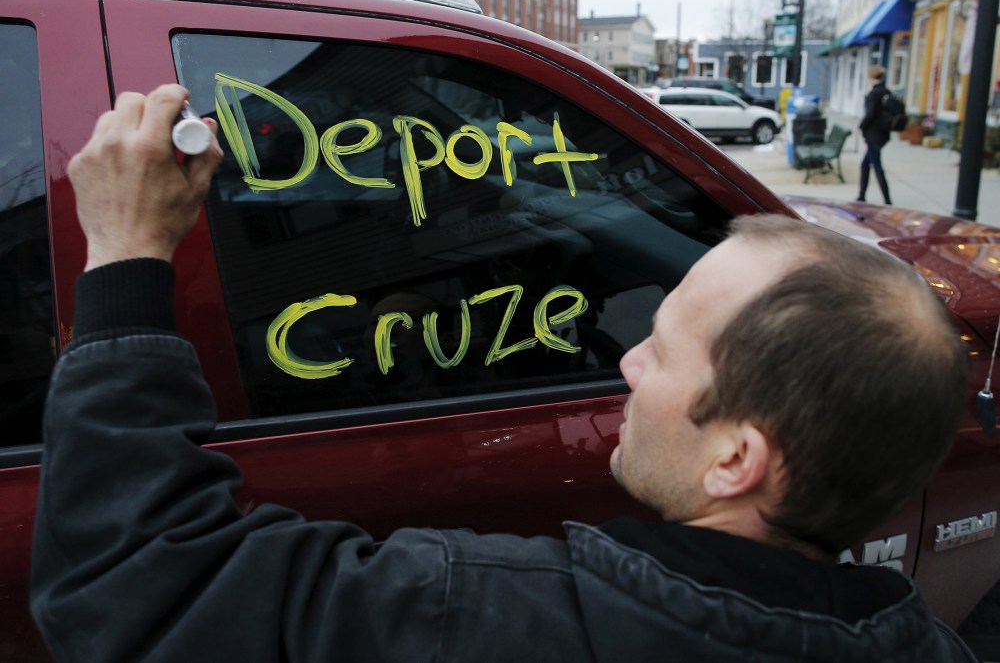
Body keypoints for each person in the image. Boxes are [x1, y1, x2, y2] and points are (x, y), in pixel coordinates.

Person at [30, 84, 976, 662]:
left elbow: (136, 589)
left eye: (664, 347)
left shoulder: (492, 620)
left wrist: (121, 254)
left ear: (736, 458)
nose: (626, 356)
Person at [858, 65, 893, 205]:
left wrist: (862, 125)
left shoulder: (874, 94)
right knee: (865, 165)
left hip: (874, 135)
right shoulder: (886, 92)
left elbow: (870, 114)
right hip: (882, 134)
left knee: (877, 166)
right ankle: (861, 196)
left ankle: (887, 200)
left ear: (871, 77)